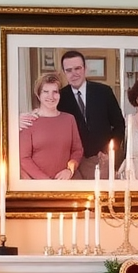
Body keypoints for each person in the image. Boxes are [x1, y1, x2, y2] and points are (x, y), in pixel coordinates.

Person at [55, 50, 125, 180]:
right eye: (69, 70)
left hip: (102, 159)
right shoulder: (59, 97)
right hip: (73, 163)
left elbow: (119, 124)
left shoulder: (103, 92)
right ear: (64, 72)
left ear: (85, 69)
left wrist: (109, 151)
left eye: (78, 68)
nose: (74, 73)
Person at [19, 73, 83, 180]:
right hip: (38, 186)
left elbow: (77, 150)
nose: (51, 97)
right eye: (46, 92)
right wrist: (46, 181)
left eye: (55, 92)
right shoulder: (29, 121)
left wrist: (69, 170)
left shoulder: (69, 119)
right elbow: (24, 158)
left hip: (67, 183)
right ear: (38, 94)